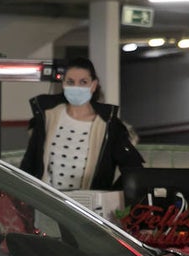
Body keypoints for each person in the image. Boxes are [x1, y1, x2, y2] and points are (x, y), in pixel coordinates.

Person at [19, 56, 144, 191]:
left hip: (86, 203)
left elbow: (134, 169)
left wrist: (109, 196)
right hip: (47, 200)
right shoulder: (48, 117)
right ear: (63, 84)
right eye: (70, 82)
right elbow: (29, 163)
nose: (76, 87)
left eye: (83, 82)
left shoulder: (108, 125)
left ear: (93, 85)